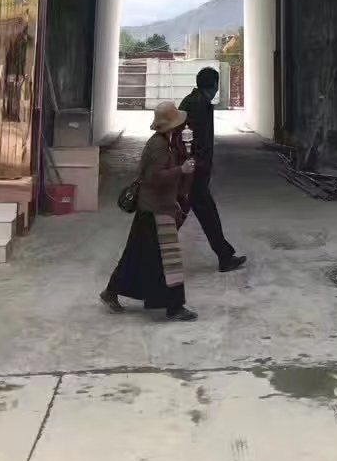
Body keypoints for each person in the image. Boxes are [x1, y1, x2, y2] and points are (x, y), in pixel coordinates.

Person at [100, 100, 198, 321]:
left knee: (137, 256)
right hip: (156, 210)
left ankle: (111, 291)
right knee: (168, 259)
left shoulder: (164, 142)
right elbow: (155, 177)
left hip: (152, 207)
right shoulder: (159, 146)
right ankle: (174, 306)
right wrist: (181, 170)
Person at [179, 66, 246, 273]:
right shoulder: (198, 105)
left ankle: (225, 256)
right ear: (214, 84)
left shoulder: (195, 101)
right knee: (195, 215)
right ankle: (225, 256)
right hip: (194, 172)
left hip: (194, 171)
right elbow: (193, 140)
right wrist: (197, 164)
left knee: (192, 214)